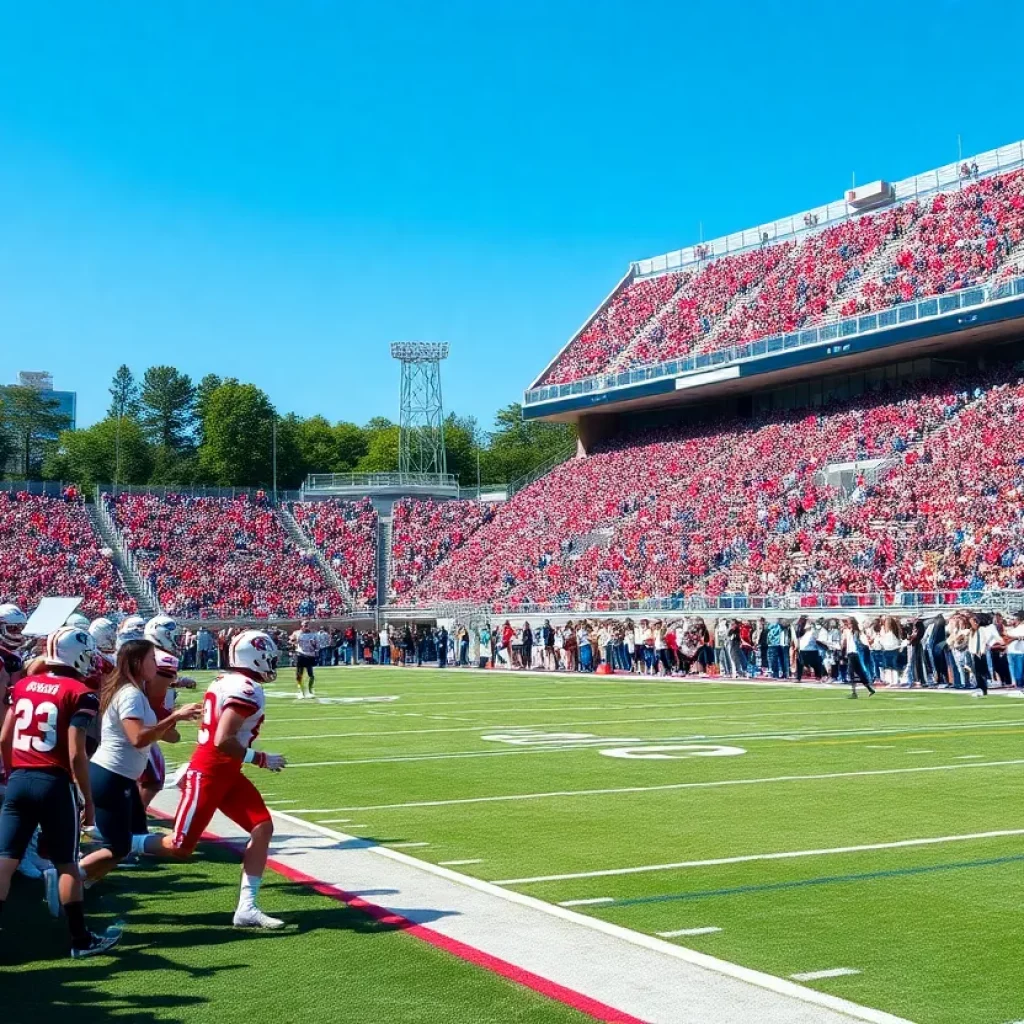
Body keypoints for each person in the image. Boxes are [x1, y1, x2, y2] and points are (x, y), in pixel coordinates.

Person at [130, 630, 287, 929]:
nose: (272, 662)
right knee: (179, 847)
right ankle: (121, 844)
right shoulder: (247, 689)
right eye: (269, 656)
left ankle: (247, 908)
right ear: (255, 657)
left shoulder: (227, 680)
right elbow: (222, 739)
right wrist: (261, 759)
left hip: (226, 772)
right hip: (210, 771)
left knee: (262, 827)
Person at [0, 626, 122, 957]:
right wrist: (87, 798)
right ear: (78, 654)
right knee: (67, 864)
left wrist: (14, 773)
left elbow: (3, 739)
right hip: (53, 783)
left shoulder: (23, 684)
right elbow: (74, 753)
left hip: (19, 780)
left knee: (6, 860)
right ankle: (81, 940)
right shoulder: (80, 692)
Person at [78, 639, 201, 886]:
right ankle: (71, 876)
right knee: (119, 846)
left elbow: (157, 734)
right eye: (151, 660)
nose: (156, 665)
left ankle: (81, 882)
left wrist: (173, 720)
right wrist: (176, 715)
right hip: (111, 776)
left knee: (125, 841)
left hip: (118, 776)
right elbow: (137, 737)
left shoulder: (133, 691)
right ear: (137, 663)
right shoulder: (131, 694)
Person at [290, 620, 319, 698]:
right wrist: (293, 642)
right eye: (304, 625)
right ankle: (301, 691)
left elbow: (317, 645)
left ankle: (310, 690)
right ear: (302, 625)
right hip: (300, 654)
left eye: (307, 625)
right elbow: (291, 641)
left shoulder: (313, 634)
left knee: (311, 675)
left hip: (310, 655)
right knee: (299, 674)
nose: (306, 626)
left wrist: (314, 645)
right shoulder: (297, 633)